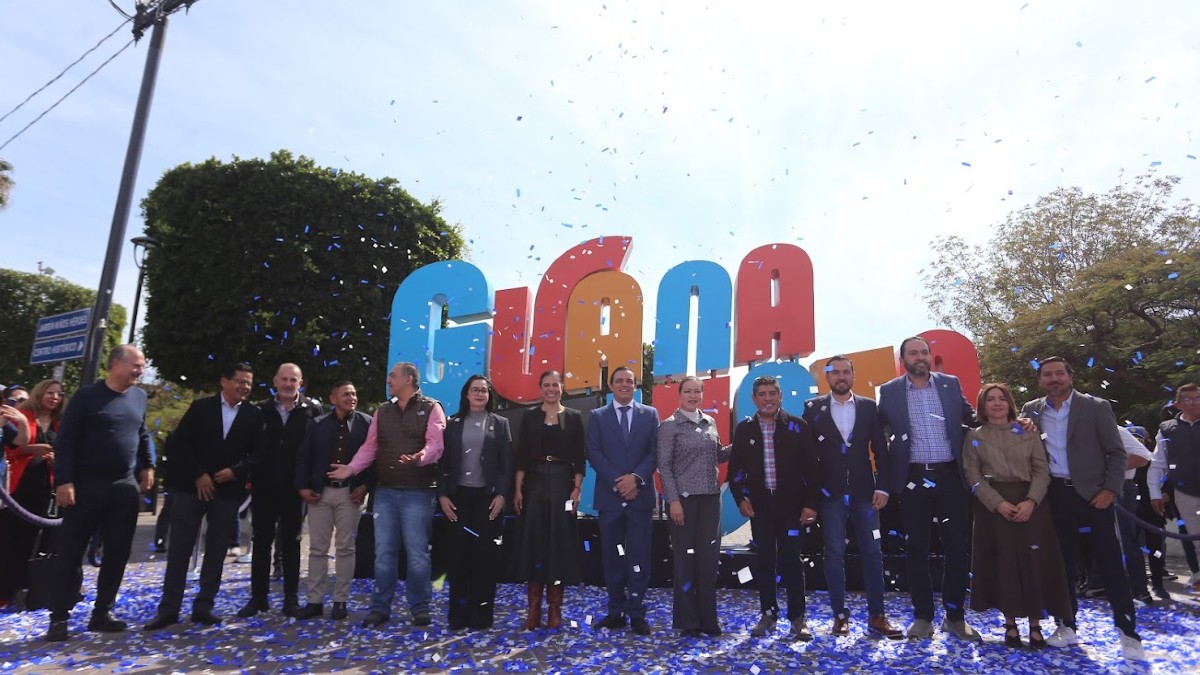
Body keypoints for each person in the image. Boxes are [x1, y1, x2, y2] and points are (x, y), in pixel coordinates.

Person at [1020, 356, 1143, 661]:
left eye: (1059, 373)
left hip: (1094, 496)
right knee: (1061, 565)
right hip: (1054, 497)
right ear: (1040, 380)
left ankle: (1128, 633)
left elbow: (1116, 452)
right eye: (1047, 375)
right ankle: (1067, 625)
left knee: (1111, 564)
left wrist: (1110, 489)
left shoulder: (1096, 407)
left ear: (1070, 377)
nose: (1054, 379)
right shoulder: (1031, 410)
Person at [43, 345, 154, 641]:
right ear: (116, 364)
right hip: (85, 485)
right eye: (136, 365)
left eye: (142, 366)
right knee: (71, 552)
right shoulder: (86, 397)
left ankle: (102, 611)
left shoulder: (140, 397)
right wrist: (64, 481)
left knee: (118, 552)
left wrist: (149, 465)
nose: (140, 371)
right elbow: (66, 441)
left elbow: (142, 433)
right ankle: (59, 617)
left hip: (123, 487)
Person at [144, 363, 265, 630]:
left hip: (228, 491)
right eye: (240, 381)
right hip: (191, 487)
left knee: (217, 549)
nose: (244, 387)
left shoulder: (253, 415)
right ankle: (169, 608)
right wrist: (199, 474)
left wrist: (235, 471)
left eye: (248, 383)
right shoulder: (201, 408)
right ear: (224, 381)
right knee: (180, 548)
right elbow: (179, 444)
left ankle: (204, 606)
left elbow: (259, 453)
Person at [876, 336, 980, 641]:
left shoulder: (950, 384)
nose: (919, 357)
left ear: (930, 356)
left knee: (957, 548)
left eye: (924, 352)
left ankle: (955, 617)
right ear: (903, 360)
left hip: (950, 476)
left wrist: (1013, 422)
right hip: (913, 480)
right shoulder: (890, 391)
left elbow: (973, 419)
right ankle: (923, 617)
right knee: (916, 549)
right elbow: (878, 431)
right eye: (913, 353)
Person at [328, 362, 446, 628]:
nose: (388, 380)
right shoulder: (382, 411)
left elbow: (436, 445)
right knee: (383, 553)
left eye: (393, 376)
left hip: (418, 492)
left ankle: (420, 607)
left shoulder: (432, 407)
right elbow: (370, 447)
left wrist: (420, 457)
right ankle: (380, 608)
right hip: (385, 492)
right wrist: (351, 468)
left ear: (408, 379)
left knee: (417, 553)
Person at [963, 383, 1071, 649]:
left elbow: (1041, 469)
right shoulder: (974, 436)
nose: (997, 403)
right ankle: (1010, 624)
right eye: (991, 399)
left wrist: (1031, 501)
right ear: (983, 405)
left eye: (1001, 398)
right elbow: (973, 475)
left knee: (1034, 563)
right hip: (993, 508)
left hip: (1031, 504)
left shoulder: (1027, 430)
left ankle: (1036, 625)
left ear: (1009, 403)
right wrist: (997, 503)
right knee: (1003, 564)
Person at [801, 356, 902, 639]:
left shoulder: (869, 407)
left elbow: (881, 450)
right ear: (827, 377)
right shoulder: (813, 408)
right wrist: (810, 496)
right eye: (835, 373)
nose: (841, 377)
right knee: (834, 553)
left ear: (853, 376)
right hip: (829, 493)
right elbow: (807, 456)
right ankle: (839, 616)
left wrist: (883, 487)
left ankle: (877, 616)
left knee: (873, 553)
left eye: (846, 372)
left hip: (865, 493)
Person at [728, 375, 821, 641]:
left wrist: (811, 504)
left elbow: (812, 469)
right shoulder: (744, 430)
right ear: (754, 399)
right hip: (761, 508)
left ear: (780, 396)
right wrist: (741, 499)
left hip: (792, 507)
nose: (767, 399)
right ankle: (768, 615)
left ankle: (798, 618)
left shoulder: (798, 426)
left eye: (772, 393)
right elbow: (735, 471)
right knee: (765, 561)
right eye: (762, 394)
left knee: (792, 561)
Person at [237, 363, 321, 619]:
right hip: (264, 486)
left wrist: (310, 483)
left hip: (296, 489)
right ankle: (258, 598)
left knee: (292, 544)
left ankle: (290, 599)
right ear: (275, 381)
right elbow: (249, 446)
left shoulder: (312, 410)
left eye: (293, 380)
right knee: (261, 542)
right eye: (283, 379)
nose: (287, 384)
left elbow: (316, 450)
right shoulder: (259, 410)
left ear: (300, 383)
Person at [587, 366, 660, 636]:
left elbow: (655, 451)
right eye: (619, 381)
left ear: (635, 385)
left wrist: (636, 479)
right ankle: (616, 612)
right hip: (610, 499)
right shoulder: (598, 416)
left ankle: (637, 613)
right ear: (611, 386)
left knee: (639, 557)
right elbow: (593, 452)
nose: (624, 385)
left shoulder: (650, 414)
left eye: (629, 381)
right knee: (613, 557)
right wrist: (620, 482)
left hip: (640, 499)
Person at [437, 375, 513, 630]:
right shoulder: (452, 423)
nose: (480, 394)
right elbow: (442, 463)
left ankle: (481, 615)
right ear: (466, 394)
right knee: (458, 557)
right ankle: (458, 615)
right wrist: (443, 495)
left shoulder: (500, 424)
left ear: (489, 395)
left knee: (485, 558)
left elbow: (506, 464)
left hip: (487, 500)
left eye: (484, 390)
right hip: (458, 498)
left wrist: (501, 495)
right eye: (475, 390)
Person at [511, 370, 585, 630]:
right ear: (540, 388)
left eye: (555, 384)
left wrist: (577, 489)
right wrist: (518, 489)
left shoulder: (574, 417)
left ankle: (555, 610)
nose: (551, 389)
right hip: (533, 483)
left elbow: (579, 457)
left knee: (558, 546)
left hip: (562, 483)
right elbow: (521, 456)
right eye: (546, 385)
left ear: (562, 387)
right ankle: (533, 611)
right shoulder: (529, 416)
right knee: (535, 545)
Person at [657, 376, 730, 637]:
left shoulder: (710, 422)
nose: (692, 396)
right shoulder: (669, 426)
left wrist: (742, 442)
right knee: (685, 561)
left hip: (711, 500)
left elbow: (717, 455)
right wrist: (673, 501)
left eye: (697, 391)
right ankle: (688, 621)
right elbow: (664, 466)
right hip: (683, 503)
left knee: (708, 561)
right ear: (679, 395)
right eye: (688, 391)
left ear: (702, 394)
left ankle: (708, 620)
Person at [294, 380, 373, 620]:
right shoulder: (317, 424)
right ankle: (314, 600)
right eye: (346, 394)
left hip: (350, 494)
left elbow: (374, 458)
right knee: (317, 549)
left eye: (354, 394)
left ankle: (341, 600)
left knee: (345, 548)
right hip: (320, 494)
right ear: (333, 399)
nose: (351, 398)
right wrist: (302, 487)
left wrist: (365, 486)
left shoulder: (367, 423)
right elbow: (304, 457)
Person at [1, 379, 62, 608]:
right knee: (10, 538)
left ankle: (26, 588)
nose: (54, 397)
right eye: (50, 392)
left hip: (45, 488)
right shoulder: (22, 415)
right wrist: (31, 450)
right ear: (39, 393)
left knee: (33, 540)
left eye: (59, 394)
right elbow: (11, 447)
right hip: (18, 487)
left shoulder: (59, 423)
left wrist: (55, 460)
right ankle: (6, 590)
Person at [1149, 383, 1200, 591]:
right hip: (1184, 492)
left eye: (1198, 398)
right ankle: (1197, 575)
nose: (1195, 403)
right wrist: (1155, 493)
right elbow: (1157, 463)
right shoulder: (1167, 429)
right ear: (1178, 404)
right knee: (1192, 537)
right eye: (1188, 399)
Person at [1114, 426, 1154, 606]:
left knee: (1127, 541)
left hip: (1121, 488)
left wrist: (1110, 472)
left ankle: (1139, 591)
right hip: (1098, 489)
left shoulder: (1115, 430)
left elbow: (1143, 456)